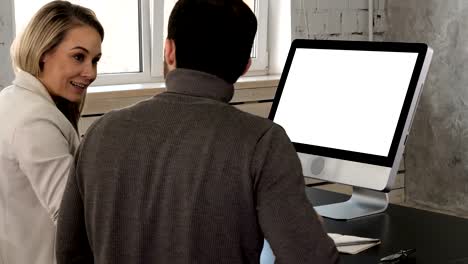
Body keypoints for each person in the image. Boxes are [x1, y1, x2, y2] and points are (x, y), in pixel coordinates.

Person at [56, 0, 339, 263]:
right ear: (245, 66)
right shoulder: (263, 142)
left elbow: (69, 253)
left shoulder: (100, 132)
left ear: (169, 51)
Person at [0, 1, 103, 263]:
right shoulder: (35, 121)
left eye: (95, 60)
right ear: (43, 53)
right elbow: (71, 217)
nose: (90, 73)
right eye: (78, 57)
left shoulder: (11, 98)